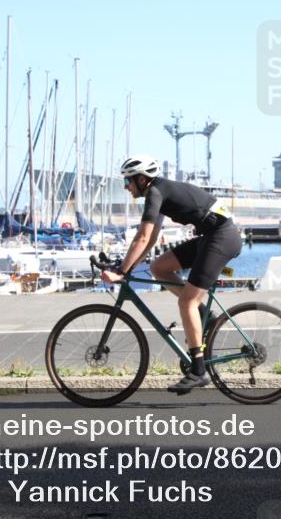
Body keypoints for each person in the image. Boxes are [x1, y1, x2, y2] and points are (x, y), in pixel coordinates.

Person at [101, 155, 242, 393]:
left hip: (221, 238)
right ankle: (204, 315)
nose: (126, 187)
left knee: (187, 301)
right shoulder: (156, 192)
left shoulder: (156, 192)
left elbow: (143, 237)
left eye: (128, 181)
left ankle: (198, 370)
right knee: (159, 267)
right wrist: (126, 267)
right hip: (209, 237)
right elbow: (151, 238)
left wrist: (122, 271)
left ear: (142, 179)